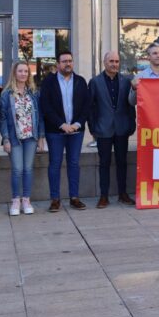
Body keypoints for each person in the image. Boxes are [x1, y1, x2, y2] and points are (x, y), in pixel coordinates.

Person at [40, 50, 90, 212]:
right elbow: (45, 107)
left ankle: (74, 197)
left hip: (76, 131)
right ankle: (55, 199)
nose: (68, 64)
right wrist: (61, 124)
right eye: (64, 61)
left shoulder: (81, 81)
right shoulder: (49, 82)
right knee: (54, 164)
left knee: (74, 164)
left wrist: (77, 123)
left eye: (70, 61)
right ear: (57, 64)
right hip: (55, 131)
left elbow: (86, 106)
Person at [88, 51, 136, 208]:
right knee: (104, 163)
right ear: (104, 63)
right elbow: (91, 107)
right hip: (103, 129)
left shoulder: (126, 81)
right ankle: (104, 196)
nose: (114, 64)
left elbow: (130, 105)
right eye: (111, 61)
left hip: (122, 129)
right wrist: (93, 129)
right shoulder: (95, 82)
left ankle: (123, 194)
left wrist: (131, 124)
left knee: (122, 162)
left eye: (117, 61)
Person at [0, 61, 45, 216]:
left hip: (31, 137)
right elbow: (3, 119)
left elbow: (40, 116)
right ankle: (15, 200)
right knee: (17, 169)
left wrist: (40, 137)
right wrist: (5, 139)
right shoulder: (7, 94)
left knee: (28, 169)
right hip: (15, 138)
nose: (24, 74)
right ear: (14, 73)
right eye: (20, 71)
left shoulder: (34, 93)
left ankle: (26, 199)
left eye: (26, 71)